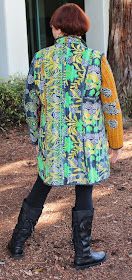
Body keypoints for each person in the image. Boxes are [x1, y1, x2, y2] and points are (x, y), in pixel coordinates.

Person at [7, 3, 123, 270]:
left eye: (52, 26)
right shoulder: (96, 59)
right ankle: (82, 254)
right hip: (88, 144)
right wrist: (115, 143)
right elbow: (110, 102)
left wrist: (35, 138)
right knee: (85, 190)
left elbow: (29, 103)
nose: (51, 29)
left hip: (54, 142)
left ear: (58, 28)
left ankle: (17, 242)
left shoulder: (41, 58)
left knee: (42, 184)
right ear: (81, 29)